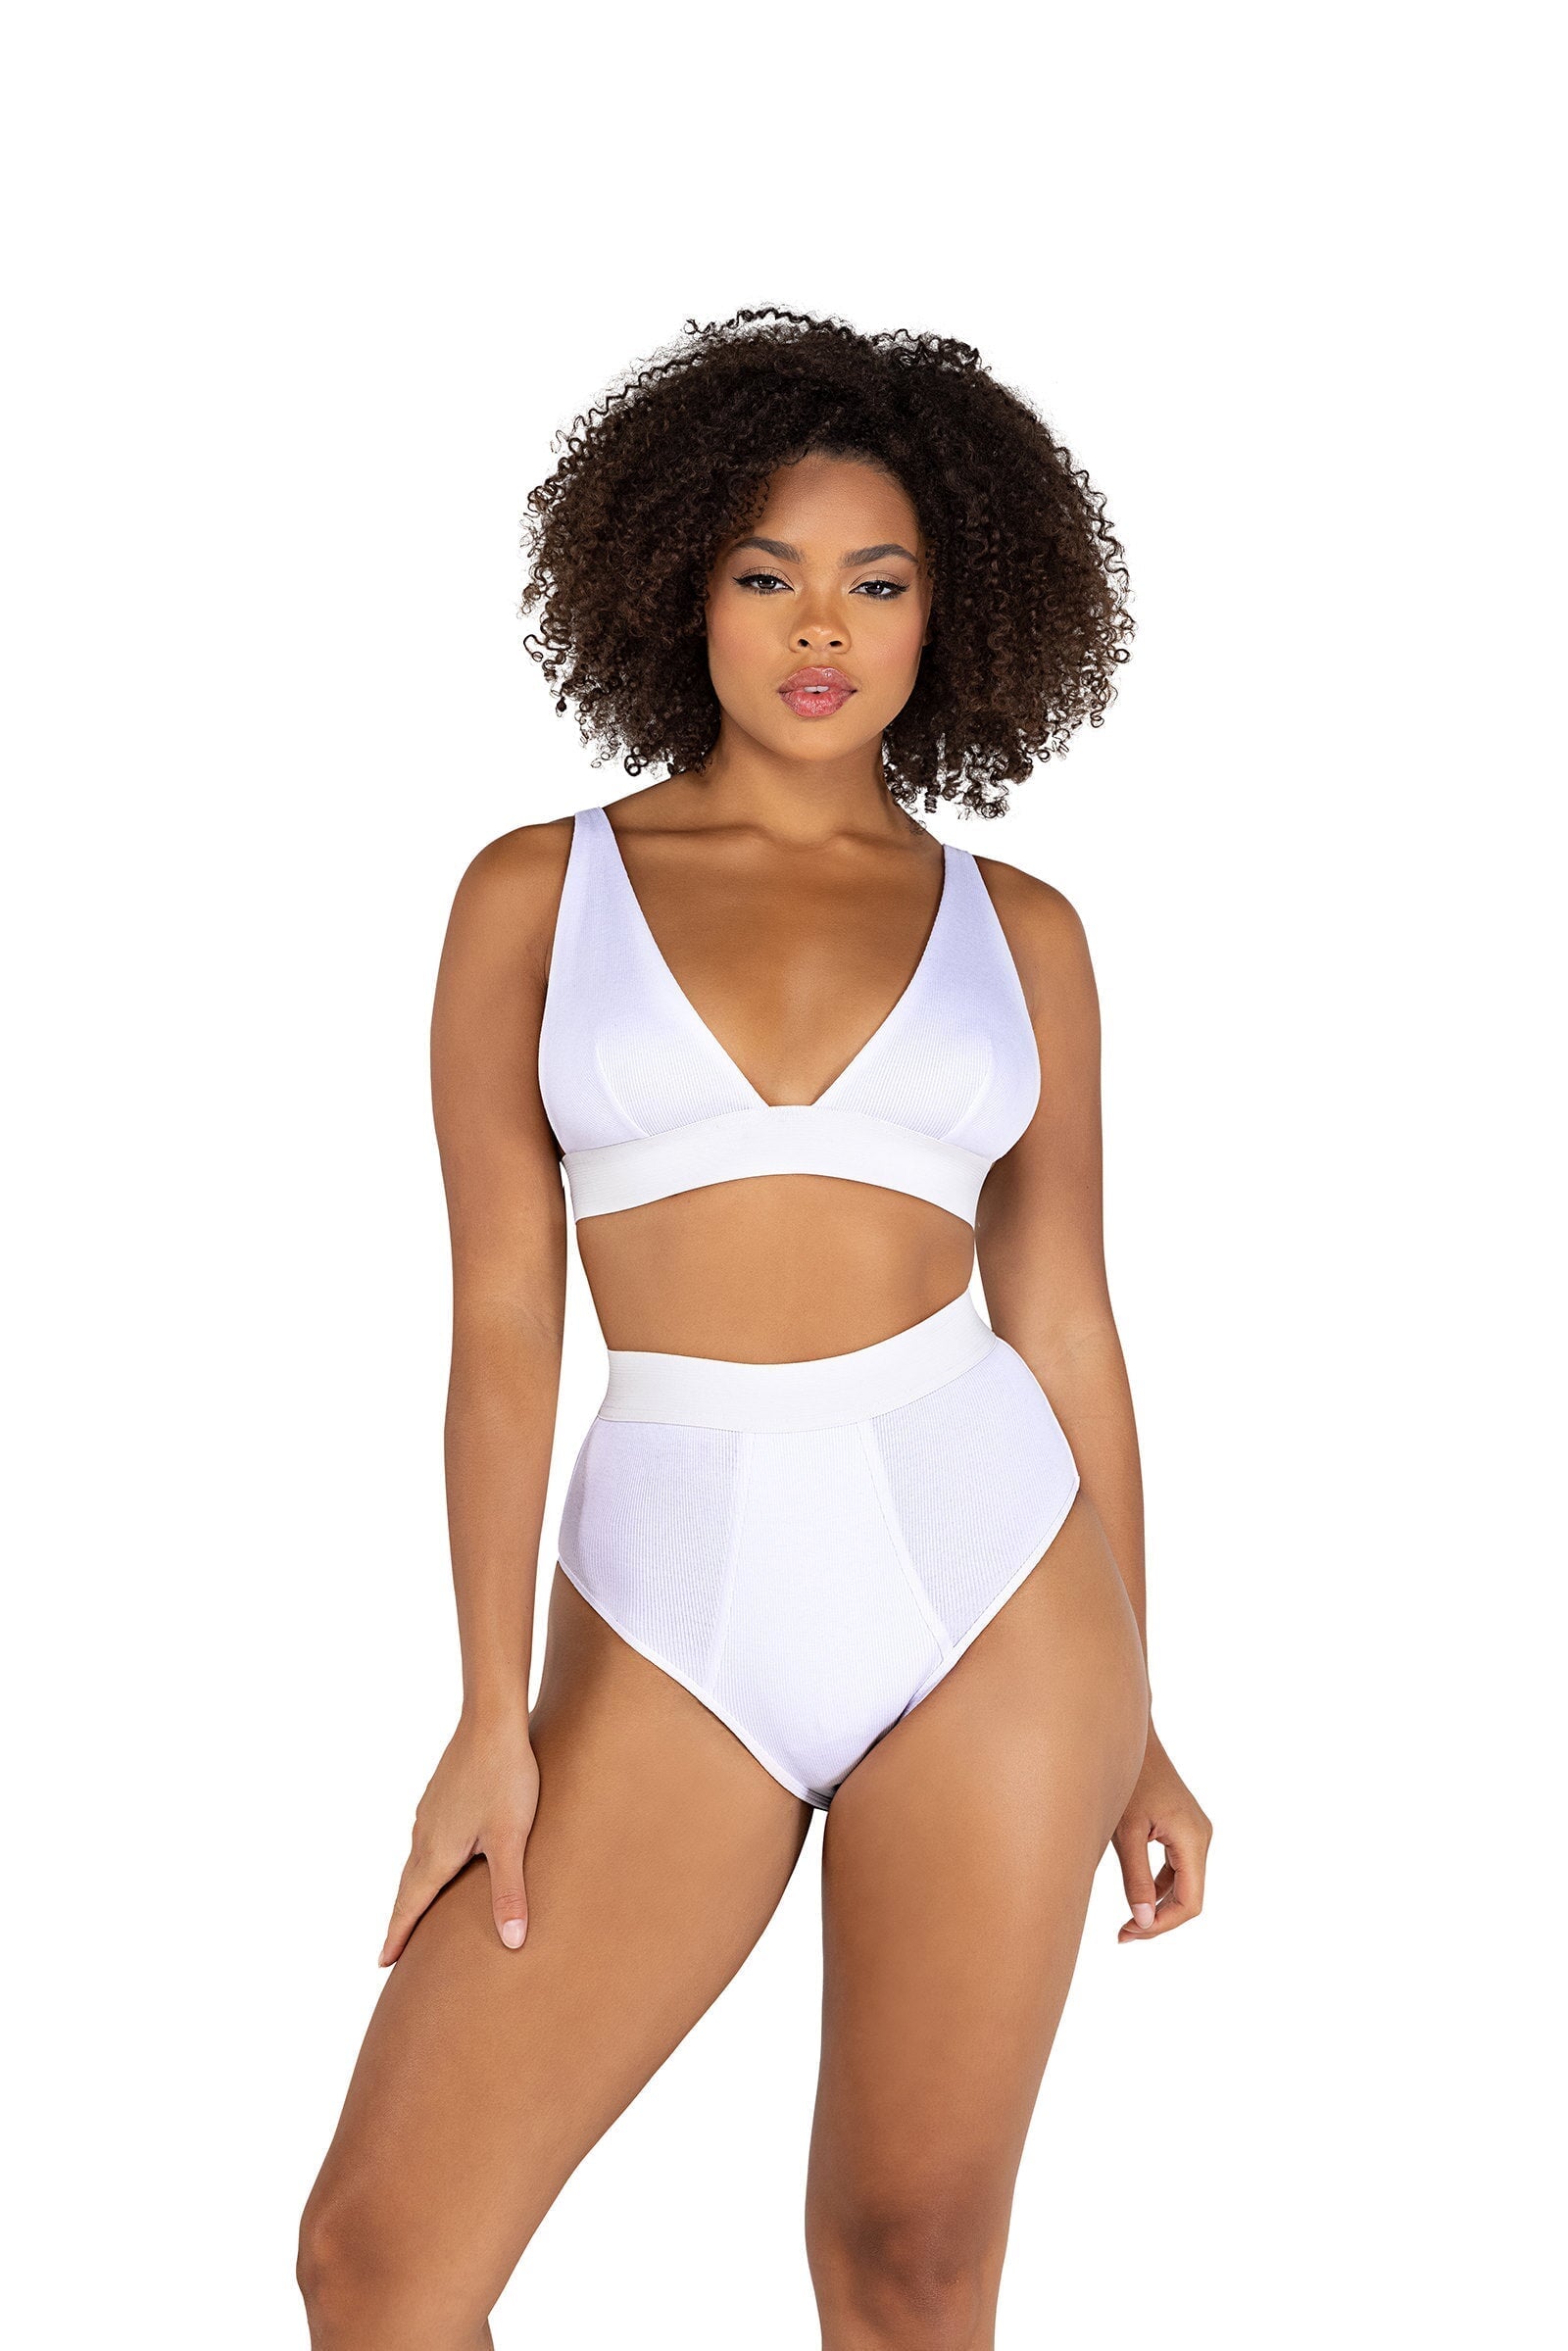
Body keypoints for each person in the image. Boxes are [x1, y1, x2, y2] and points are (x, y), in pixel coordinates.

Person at [298, 307, 1212, 2351]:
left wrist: (1140, 1718)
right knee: (381, 2261)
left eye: (877, 582)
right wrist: (485, 1714)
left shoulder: (1024, 933)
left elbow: (1066, 1324)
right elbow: (500, 1310)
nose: (820, 628)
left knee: (909, 2264)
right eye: (765, 574)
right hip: (667, 1596)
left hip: (994, 1588)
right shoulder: (538, 892)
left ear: (948, 613)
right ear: (677, 590)